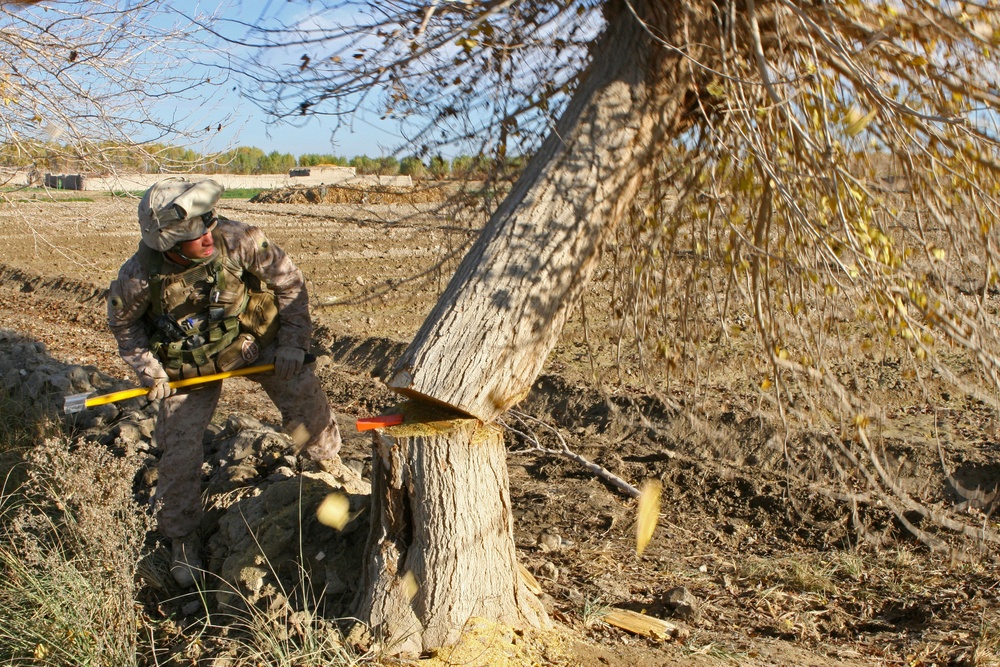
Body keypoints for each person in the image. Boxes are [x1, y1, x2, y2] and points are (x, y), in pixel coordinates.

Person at [107, 177, 353, 587]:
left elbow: (290, 283)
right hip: (191, 366)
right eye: (193, 234)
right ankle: (182, 537)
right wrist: (150, 370)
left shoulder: (238, 239)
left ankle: (330, 468)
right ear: (166, 243)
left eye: (207, 225)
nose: (205, 236)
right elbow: (123, 326)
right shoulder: (138, 276)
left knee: (307, 408)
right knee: (179, 449)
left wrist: (294, 343)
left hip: (258, 343)